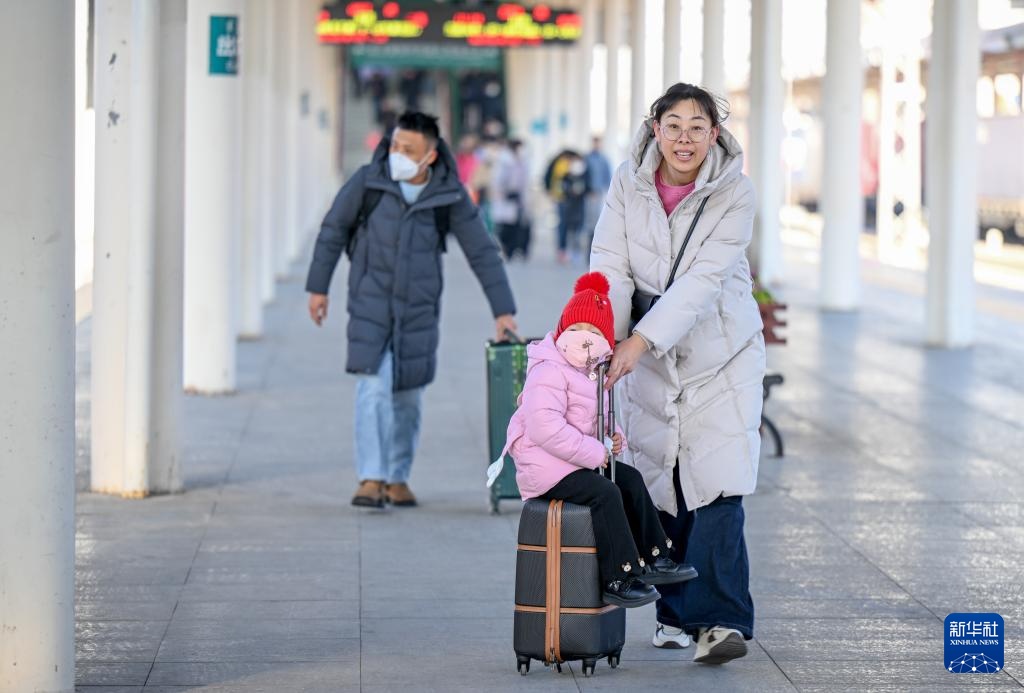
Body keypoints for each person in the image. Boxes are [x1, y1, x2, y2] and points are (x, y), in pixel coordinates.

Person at [590, 83, 765, 663]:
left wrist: (638, 341)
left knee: (716, 482)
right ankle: (673, 616)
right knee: (661, 482)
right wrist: (603, 335)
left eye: (698, 127)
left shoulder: (735, 193)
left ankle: (720, 622)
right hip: (646, 357)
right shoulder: (626, 182)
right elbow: (609, 263)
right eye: (674, 125)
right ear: (655, 129)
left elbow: (701, 282)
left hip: (721, 354)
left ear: (714, 134)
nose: (685, 138)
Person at [306, 112, 518, 509]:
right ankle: (371, 477)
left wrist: (503, 310)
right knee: (372, 387)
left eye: (408, 150)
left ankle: (398, 477)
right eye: (394, 146)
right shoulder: (368, 182)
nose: (397, 155)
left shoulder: (448, 195)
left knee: (407, 396)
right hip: (370, 302)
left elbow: (482, 252)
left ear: (430, 157)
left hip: (419, 309)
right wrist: (318, 288)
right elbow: (333, 228)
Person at [490, 272, 698, 608]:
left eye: (594, 332)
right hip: (545, 469)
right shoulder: (549, 370)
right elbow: (545, 428)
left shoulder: (592, 371)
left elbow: (591, 420)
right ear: (561, 333)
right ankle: (618, 575)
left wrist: (610, 438)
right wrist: (595, 451)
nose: (583, 339)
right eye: (575, 330)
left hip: (572, 461)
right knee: (605, 492)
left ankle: (656, 556)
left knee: (628, 478)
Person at [490, 139, 530, 260]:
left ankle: (514, 250)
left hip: (517, 198)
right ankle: (506, 249)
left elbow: (525, 180)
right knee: (505, 226)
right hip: (505, 197)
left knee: (517, 226)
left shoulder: (522, 161)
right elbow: (498, 180)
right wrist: (503, 192)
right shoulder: (505, 161)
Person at [583, 137, 613, 256]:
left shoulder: (604, 160)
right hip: (588, 194)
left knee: (597, 222)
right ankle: (587, 249)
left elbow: (608, 177)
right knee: (588, 222)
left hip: (599, 194)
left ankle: (593, 250)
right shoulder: (587, 158)